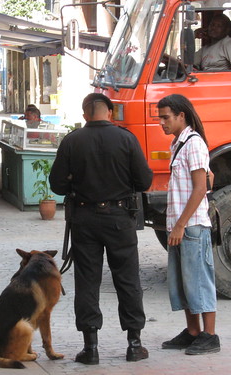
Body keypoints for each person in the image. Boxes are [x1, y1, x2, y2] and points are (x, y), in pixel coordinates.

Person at [49, 93, 153, 365]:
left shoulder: (72, 141)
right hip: (120, 218)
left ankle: (91, 348)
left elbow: (57, 185)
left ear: (85, 114)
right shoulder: (126, 138)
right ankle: (134, 344)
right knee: (128, 279)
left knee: (87, 281)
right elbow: (143, 180)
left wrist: (74, 178)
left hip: (85, 218)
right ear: (109, 112)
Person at [157, 94, 220, 355]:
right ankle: (193, 331)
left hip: (191, 225)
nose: (162, 123)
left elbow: (200, 188)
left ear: (181, 116)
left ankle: (210, 335)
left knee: (199, 281)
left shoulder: (193, 144)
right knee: (183, 283)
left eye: (166, 117)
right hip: (180, 225)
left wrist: (181, 224)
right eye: (160, 118)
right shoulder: (178, 144)